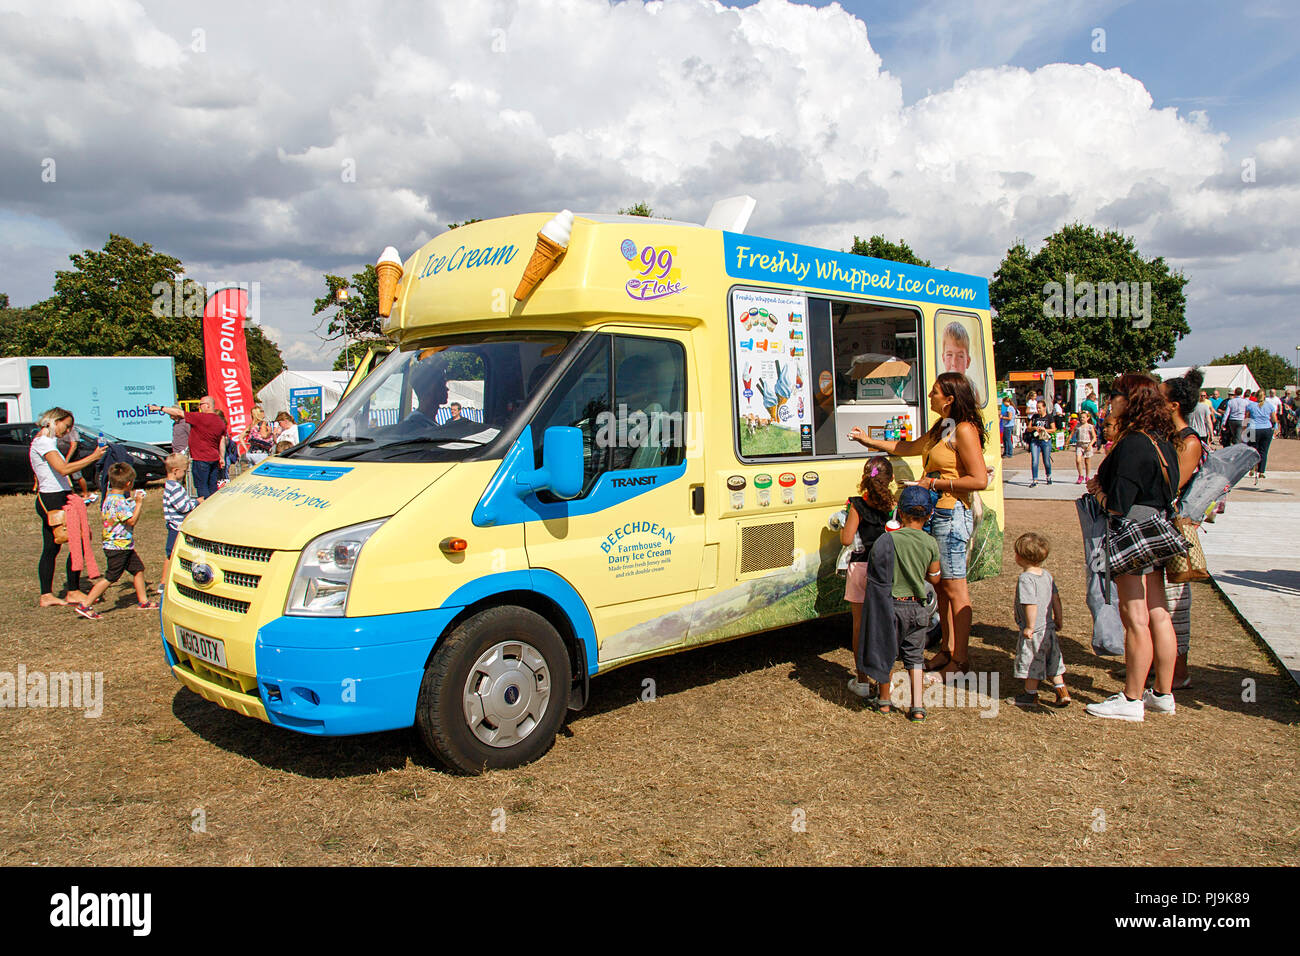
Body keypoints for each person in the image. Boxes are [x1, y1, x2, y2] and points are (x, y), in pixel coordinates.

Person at [848, 371, 989, 677]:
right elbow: (907, 447)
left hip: (952, 514)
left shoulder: (964, 430)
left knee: (955, 589)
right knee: (940, 588)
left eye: (935, 392)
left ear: (949, 399)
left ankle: (960, 661)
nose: (929, 396)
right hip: (936, 513)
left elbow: (980, 479)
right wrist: (867, 440)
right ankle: (947, 651)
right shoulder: (942, 428)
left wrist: (934, 483)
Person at [1085, 373, 1181, 721]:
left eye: (1115, 395)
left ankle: (1131, 698)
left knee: (1134, 616)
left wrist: (1097, 489)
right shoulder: (1162, 440)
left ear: (1130, 399)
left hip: (1132, 534)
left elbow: (1118, 503)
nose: (1110, 401)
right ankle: (1162, 693)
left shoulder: (1132, 443)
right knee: (1159, 613)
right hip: (1158, 529)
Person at [859, 484, 942, 720]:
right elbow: (934, 576)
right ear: (928, 515)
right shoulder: (930, 543)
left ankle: (884, 701)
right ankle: (917, 706)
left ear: (901, 514)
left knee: (885, 653)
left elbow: (874, 576)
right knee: (915, 658)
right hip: (918, 607)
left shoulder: (886, 541)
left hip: (890, 607)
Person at [31, 407, 107, 607]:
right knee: (78, 540)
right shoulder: (43, 442)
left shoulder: (47, 441)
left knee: (52, 547)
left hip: (56, 495)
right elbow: (63, 468)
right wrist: (93, 457)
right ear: (55, 421)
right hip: (53, 498)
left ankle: (47, 594)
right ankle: (71, 590)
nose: (67, 431)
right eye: (66, 426)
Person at [1162, 368, 1207, 690]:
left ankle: (1179, 671)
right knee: (1158, 598)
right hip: (1162, 523)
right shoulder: (1170, 437)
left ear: (1174, 405)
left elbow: (1171, 486)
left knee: (1176, 599)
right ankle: (1158, 663)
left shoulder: (1189, 442)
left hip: (1176, 527)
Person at [841, 457, 896, 697]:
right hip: (885, 570)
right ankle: (886, 679)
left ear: (864, 478)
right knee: (885, 626)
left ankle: (862, 680)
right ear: (891, 479)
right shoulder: (894, 504)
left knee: (859, 627)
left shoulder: (856, 505)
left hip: (860, 568)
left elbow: (846, 539)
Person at [73, 462, 157, 619]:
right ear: (128, 483)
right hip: (118, 546)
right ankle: (85, 605)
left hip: (122, 545)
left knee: (138, 569)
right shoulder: (118, 502)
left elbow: (119, 513)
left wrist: (131, 501)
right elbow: (131, 521)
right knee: (111, 577)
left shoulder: (110, 498)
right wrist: (138, 503)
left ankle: (143, 601)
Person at [1011, 532, 1069, 708]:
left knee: (1032, 663)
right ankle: (1062, 691)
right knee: (1054, 660)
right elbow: (1056, 599)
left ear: (1020, 557)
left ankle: (1030, 696)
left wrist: (1029, 626)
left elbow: (1031, 604)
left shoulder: (1026, 579)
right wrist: (1059, 619)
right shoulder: (1047, 575)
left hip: (1035, 631)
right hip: (1049, 629)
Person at [150, 397, 225, 498]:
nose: (199, 407)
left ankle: (204, 510)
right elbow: (221, 440)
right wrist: (222, 457)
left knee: (202, 487)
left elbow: (178, 412)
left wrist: (159, 408)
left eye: (201, 404)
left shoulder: (200, 418)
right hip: (214, 459)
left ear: (208, 405)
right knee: (213, 487)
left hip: (201, 459)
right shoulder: (220, 421)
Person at [161, 453, 201, 593]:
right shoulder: (175, 488)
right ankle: (165, 581)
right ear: (175, 471)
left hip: (174, 525)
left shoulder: (169, 486)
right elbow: (183, 507)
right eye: (184, 471)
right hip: (177, 527)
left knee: (170, 554)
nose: (184, 474)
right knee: (173, 553)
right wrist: (196, 502)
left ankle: (163, 581)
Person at [940, 321, 983, 404]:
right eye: (949, 355)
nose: (954, 363)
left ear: (968, 361)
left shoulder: (972, 388)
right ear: (943, 358)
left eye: (960, 356)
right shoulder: (940, 387)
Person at [1243, 389, 1277, 480]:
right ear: (1264, 396)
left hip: (1254, 429)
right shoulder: (1269, 406)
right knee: (1264, 451)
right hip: (1266, 429)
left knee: (1253, 449)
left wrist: (1244, 429)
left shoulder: (1250, 405)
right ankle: (1261, 471)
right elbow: (1274, 419)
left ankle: (1252, 468)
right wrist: (1275, 427)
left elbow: (1246, 418)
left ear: (1256, 396)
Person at [1026, 399, 1055, 487]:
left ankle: (1048, 476)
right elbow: (1028, 428)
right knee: (1035, 460)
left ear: (1044, 408)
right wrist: (1034, 428)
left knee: (1046, 460)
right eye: (1037, 408)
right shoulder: (1035, 417)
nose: (1038, 410)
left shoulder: (1049, 417)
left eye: (1039, 408)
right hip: (1035, 440)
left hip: (1045, 440)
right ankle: (1035, 479)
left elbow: (1053, 429)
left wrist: (1045, 429)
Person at [1072, 410, 1097, 484]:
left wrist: (1090, 445)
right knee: (1078, 460)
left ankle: (1087, 476)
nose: (1082, 419)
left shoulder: (1090, 426)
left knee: (1087, 462)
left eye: (1083, 417)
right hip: (1079, 444)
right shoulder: (1078, 425)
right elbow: (1072, 433)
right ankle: (1080, 475)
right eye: (1080, 417)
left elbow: (1094, 437)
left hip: (1087, 444)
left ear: (1087, 418)